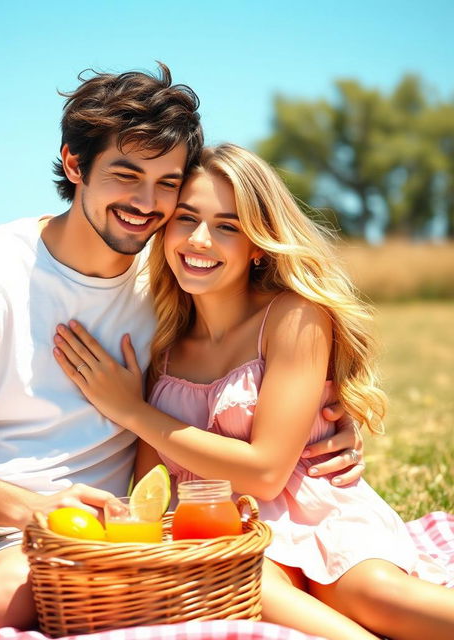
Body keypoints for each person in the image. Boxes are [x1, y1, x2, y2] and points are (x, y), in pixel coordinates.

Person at [0, 68, 361, 640]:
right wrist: (34, 505)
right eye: (126, 175)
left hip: (41, 547)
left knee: (19, 594)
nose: (146, 203)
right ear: (75, 166)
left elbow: (243, 376)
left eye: (167, 183)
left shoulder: (174, 290)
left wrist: (325, 427)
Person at [53, 143, 454, 640]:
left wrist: (130, 410)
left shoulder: (292, 316)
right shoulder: (163, 343)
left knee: (375, 593)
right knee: (249, 588)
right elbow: (151, 485)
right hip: (227, 532)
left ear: (259, 244)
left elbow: (266, 472)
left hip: (316, 512)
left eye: (228, 226)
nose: (200, 240)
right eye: (186, 219)